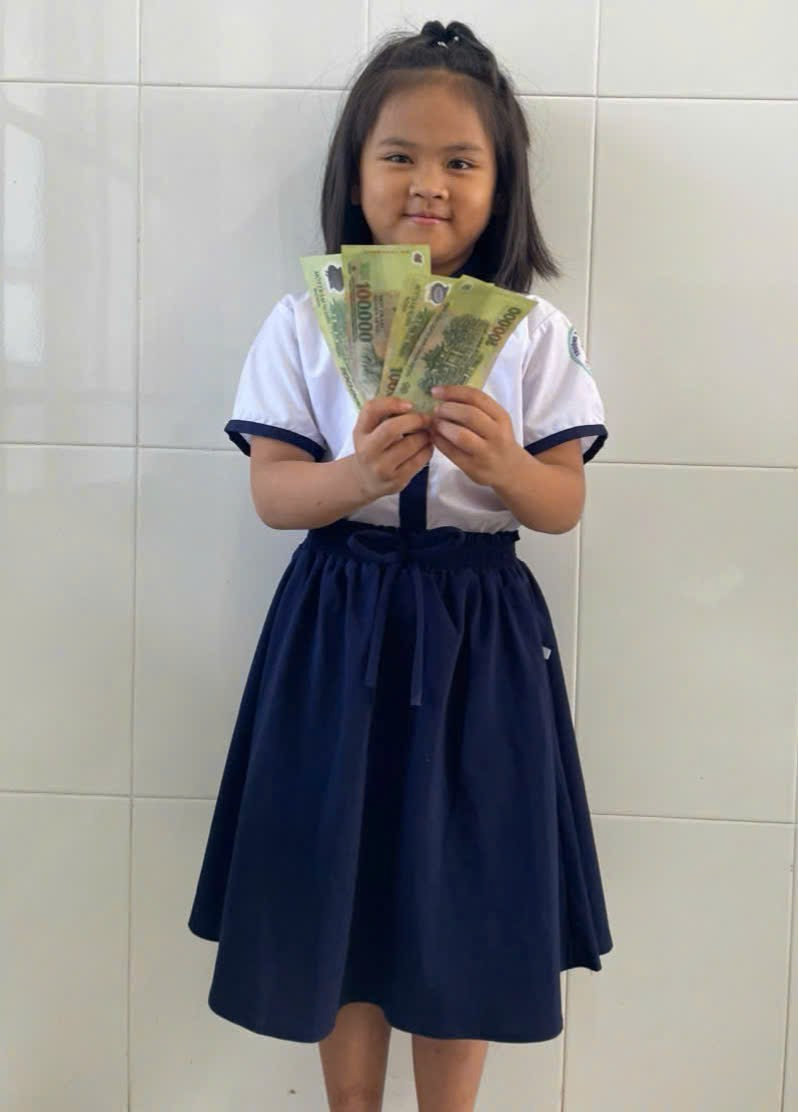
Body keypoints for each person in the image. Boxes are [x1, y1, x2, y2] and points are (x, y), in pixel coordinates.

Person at [188, 18, 613, 1112]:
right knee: (338, 878)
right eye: (400, 156)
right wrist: (353, 475)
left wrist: (506, 465)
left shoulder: (534, 333)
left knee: (467, 891)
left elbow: (563, 503)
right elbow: (274, 492)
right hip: (337, 620)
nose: (430, 183)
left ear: (501, 187)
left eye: (462, 161)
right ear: (355, 173)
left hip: (481, 635)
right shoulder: (302, 322)